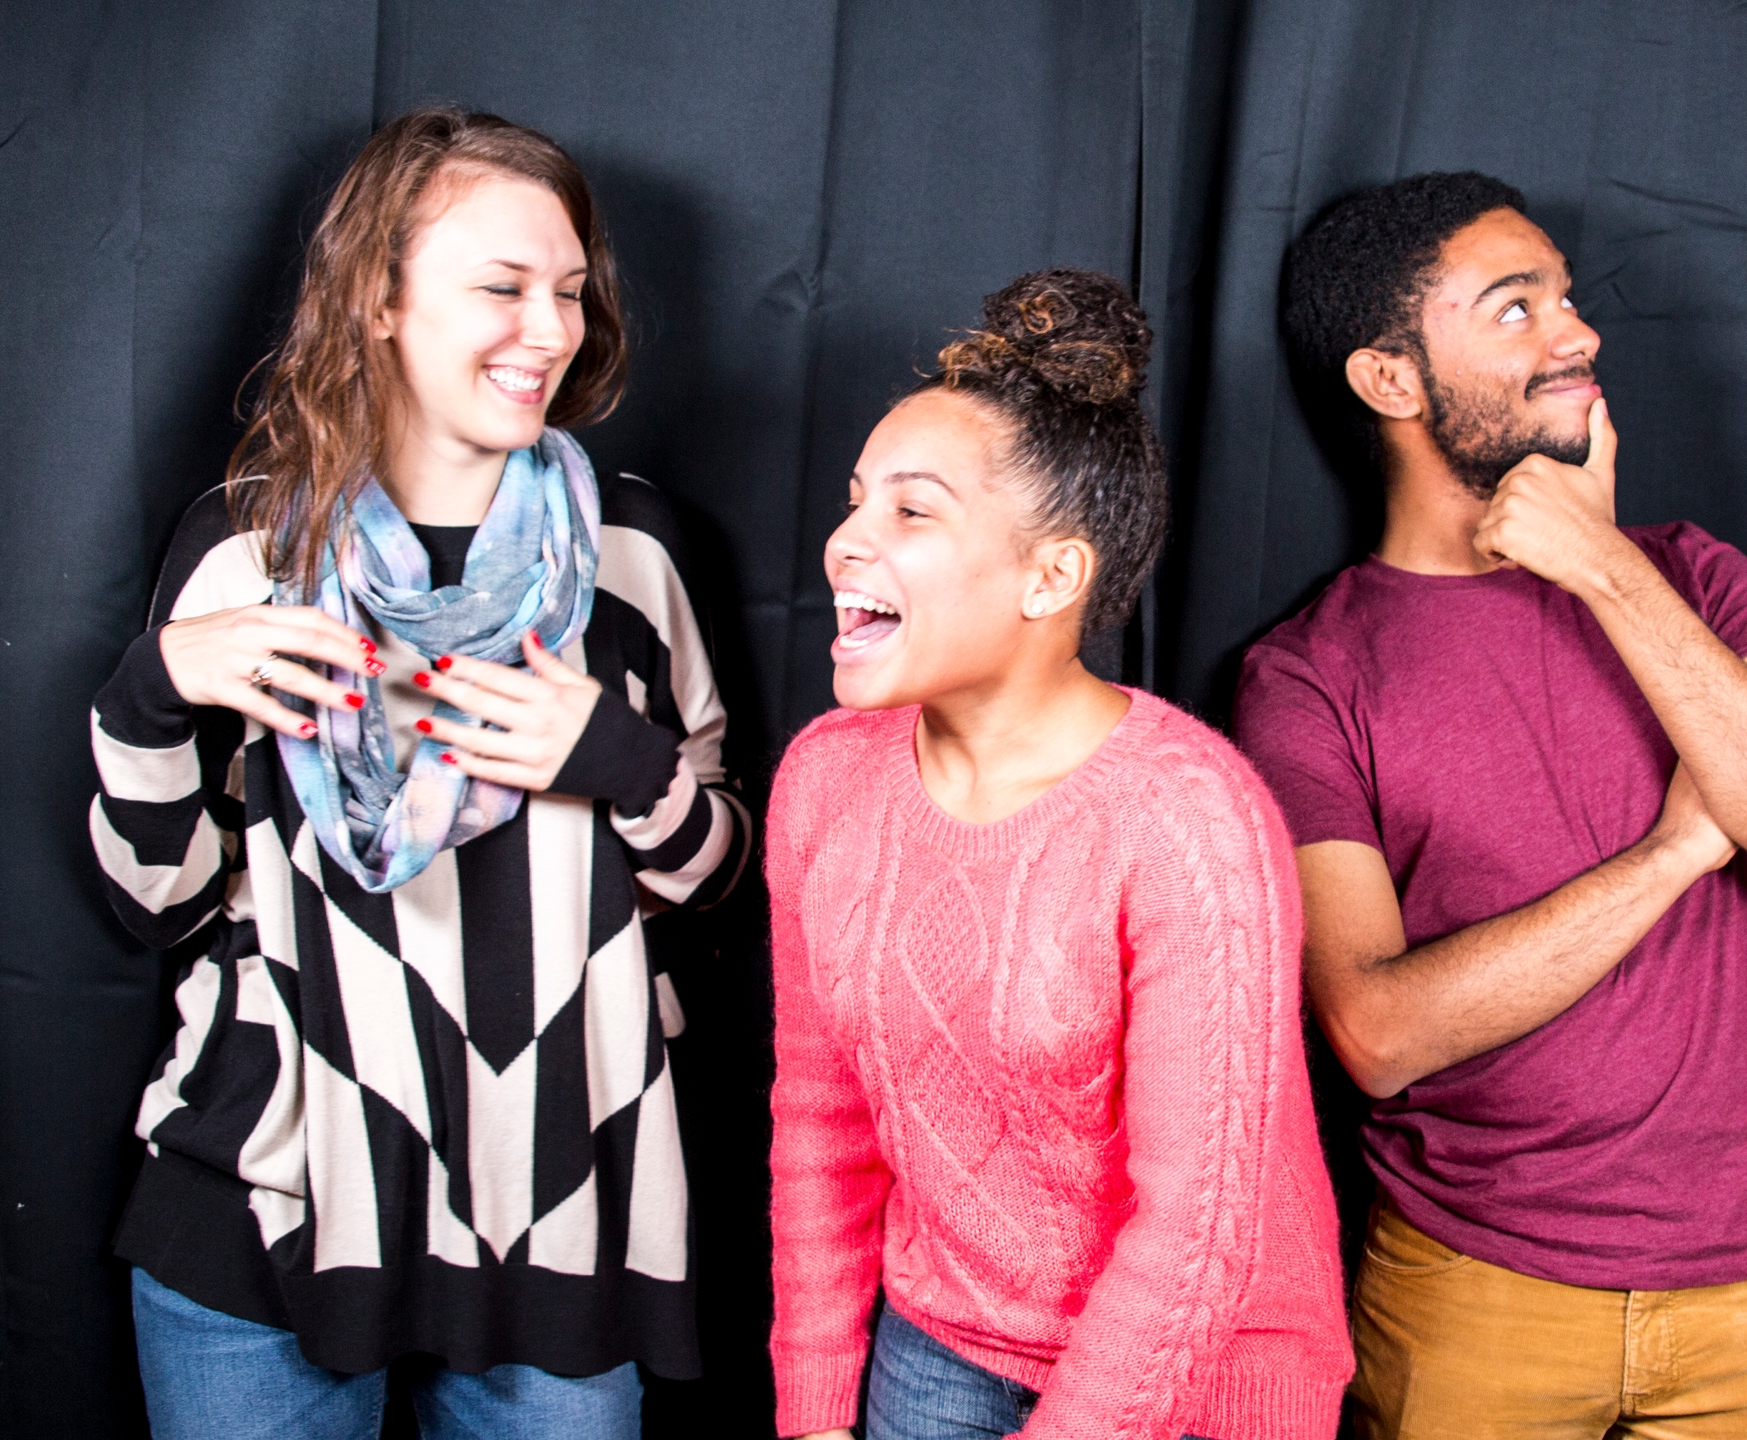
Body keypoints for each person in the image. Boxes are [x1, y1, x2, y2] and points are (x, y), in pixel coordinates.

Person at [86, 107, 749, 1439]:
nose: (549, 327)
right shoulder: (246, 553)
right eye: (501, 287)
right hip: (272, 1210)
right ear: (378, 300)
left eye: (568, 290)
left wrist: (613, 761)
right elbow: (153, 903)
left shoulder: (634, 559)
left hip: (561, 1216)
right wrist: (154, 687)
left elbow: (719, 873)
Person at [1236, 172, 1747, 1439]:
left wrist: (1603, 567)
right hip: (1470, 1294)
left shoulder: (1691, 574)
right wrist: (1678, 850)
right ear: (1391, 381)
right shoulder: (1308, 674)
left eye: (1567, 302)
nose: (1575, 335)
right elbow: (1375, 1029)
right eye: (1514, 309)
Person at [765, 270, 1353, 1440]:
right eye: (854, 501)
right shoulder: (827, 780)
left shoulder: (1188, 819)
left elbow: (1195, 1231)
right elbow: (818, 1126)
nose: (845, 540)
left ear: (1052, 576)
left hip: (1206, 1379)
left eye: (910, 512)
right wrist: (818, 1405)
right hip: (936, 1353)